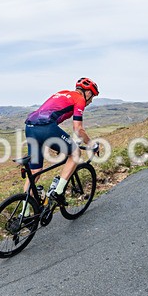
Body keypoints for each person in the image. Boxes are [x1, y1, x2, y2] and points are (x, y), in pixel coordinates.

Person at [24, 77, 99, 205]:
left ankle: (24, 213)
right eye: (92, 96)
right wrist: (91, 144)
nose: (91, 101)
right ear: (87, 92)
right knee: (75, 153)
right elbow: (78, 128)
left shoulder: (63, 92)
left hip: (30, 127)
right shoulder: (79, 99)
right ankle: (58, 192)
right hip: (46, 128)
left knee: (35, 173)